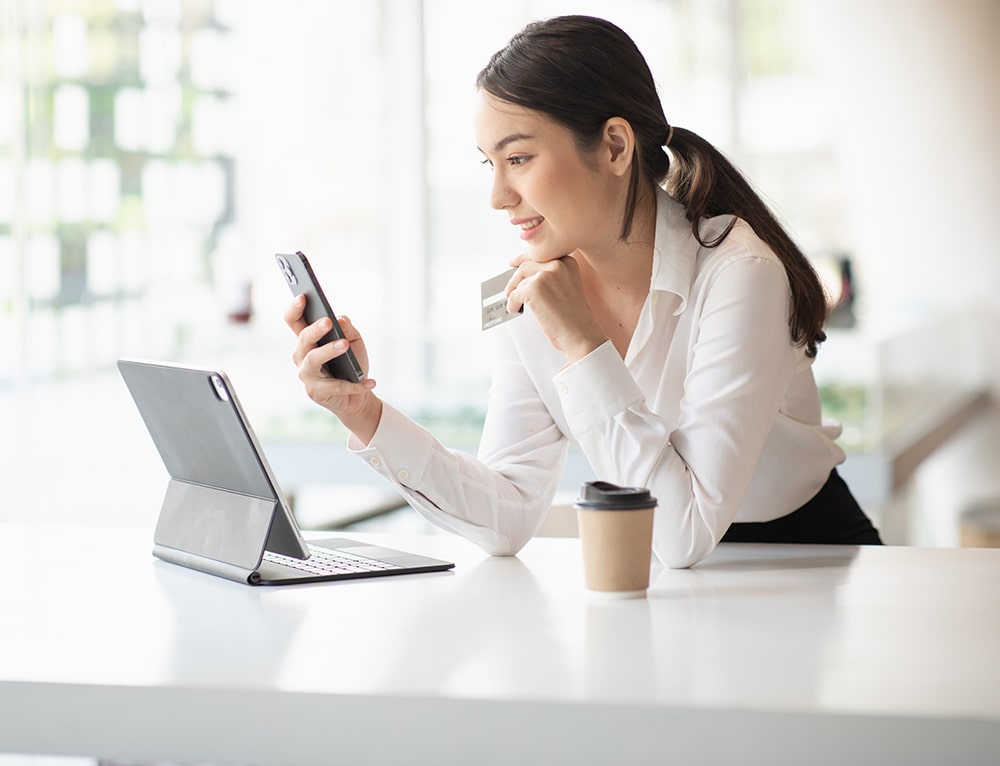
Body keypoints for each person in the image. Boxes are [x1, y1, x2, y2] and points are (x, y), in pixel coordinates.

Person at [284, 14, 882, 569]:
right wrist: (367, 417)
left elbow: (679, 533)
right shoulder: (520, 288)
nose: (498, 196)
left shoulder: (738, 270)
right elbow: (508, 512)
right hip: (667, 586)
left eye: (518, 157)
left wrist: (581, 341)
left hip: (810, 565)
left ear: (616, 146)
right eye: (487, 164)